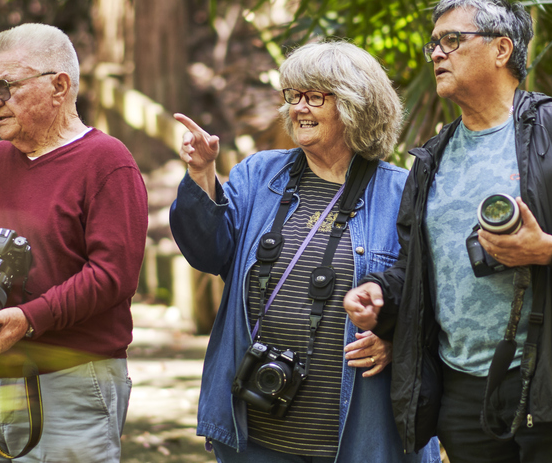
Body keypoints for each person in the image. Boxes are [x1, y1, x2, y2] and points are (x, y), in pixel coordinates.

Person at [342, 0, 552, 463]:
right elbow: (417, 266)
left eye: (451, 40)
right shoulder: (433, 155)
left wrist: (548, 248)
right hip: (462, 392)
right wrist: (380, 294)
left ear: (502, 49)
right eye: (434, 45)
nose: (438, 54)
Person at [171, 42, 440, 463]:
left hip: (360, 435)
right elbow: (208, 252)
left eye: (314, 96)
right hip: (256, 431)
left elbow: (437, 295)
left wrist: (397, 340)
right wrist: (202, 173)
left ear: (355, 105)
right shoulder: (260, 174)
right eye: (292, 95)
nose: (298, 108)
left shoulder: (402, 192)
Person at [0, 23, 147, 462]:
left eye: (6, 87)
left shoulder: (107, 163)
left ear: (59, 86)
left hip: (73, 382)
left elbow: (112, 277)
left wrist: (28, 319)